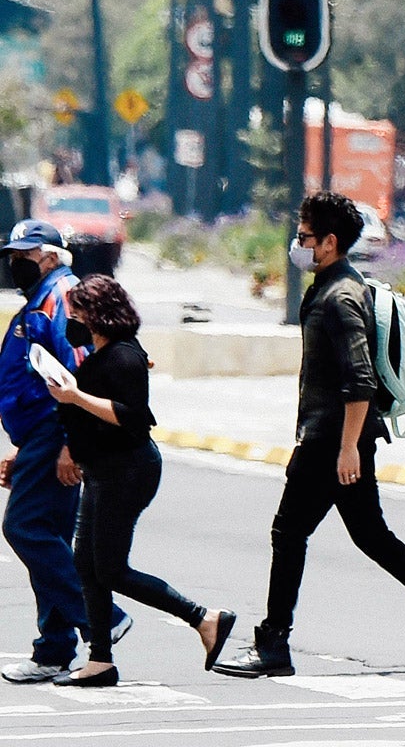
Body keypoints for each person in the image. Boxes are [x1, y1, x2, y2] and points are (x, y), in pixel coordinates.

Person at [214, 192, 405, 677]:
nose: (299, 244)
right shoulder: (333, 286)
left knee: (288, 533)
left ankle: (273, 645)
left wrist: (349, 447)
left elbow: (360, 379)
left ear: (330, 243)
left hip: (332, 441)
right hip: (337, 438)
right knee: (373, 536)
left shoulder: (340, 297)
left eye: (305, 237)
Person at [46, 275, 235, 686]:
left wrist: (76, 397)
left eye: (76, 314)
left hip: (127, 471)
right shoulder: (102, 356)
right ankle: (100, 660)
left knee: (110, 569)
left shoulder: (123, 356)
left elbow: (131, 415)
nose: (71, 321)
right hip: (102, 471)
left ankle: (204, 618)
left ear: (97, 315)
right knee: (87, 565)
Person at [0, 221, 128, 684]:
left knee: (23, 526)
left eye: (25, 256)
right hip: (43, 435)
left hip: (57, 431)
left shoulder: (61, 298)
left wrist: (71, 444)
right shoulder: (43, 297)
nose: (17, 265)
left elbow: (78, 375)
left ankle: (102, 618)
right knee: (48, 536)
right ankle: (53, 649)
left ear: (51, 257)